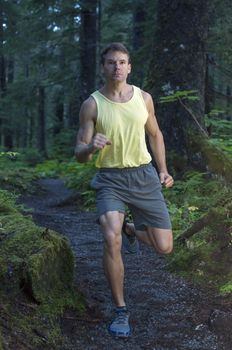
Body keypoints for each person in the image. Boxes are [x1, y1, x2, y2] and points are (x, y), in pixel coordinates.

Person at [75, 42, 174, 338]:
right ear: (103, 67)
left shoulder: (143, 99)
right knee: (110, 236)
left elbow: (155, 134)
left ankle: (131, 228)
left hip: (143, 176)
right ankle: (120, 309)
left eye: (122, 62)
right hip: (111, 179)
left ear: (129, 67)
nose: (116, 67)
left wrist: (163, 169)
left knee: (164, 247)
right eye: (110, 62)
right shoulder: (92, 104)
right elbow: (79, 151)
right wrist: (90, 148)